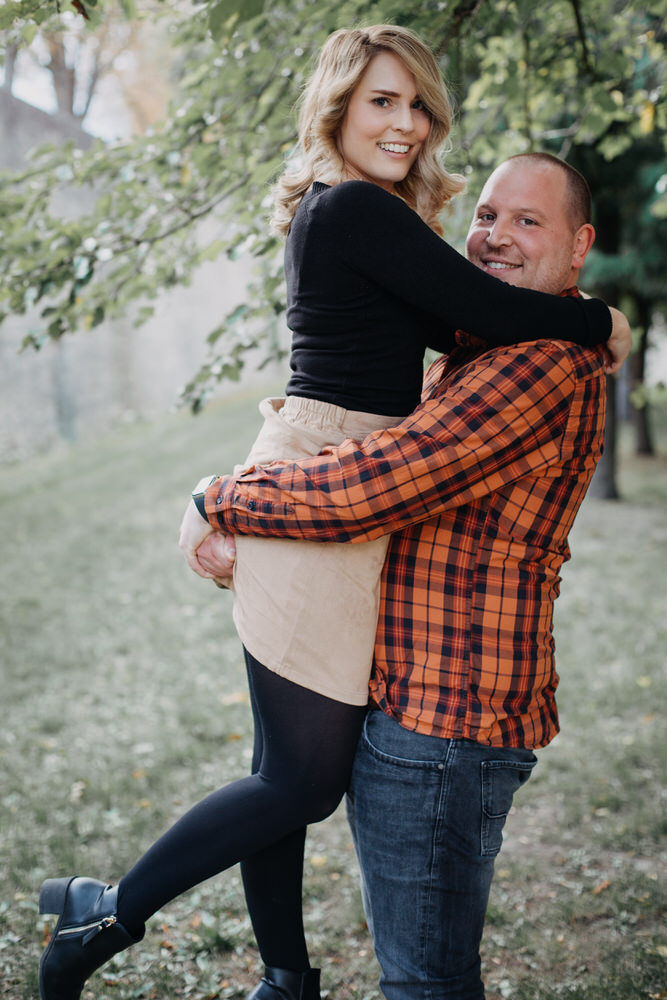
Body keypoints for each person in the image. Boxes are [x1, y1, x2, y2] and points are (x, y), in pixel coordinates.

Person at [37, 21, 629, 1000]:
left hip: (333, 464)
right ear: (338, 107)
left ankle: (285, 977)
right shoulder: (357, 209)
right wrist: (597, 320)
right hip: (325, 475)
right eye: (378, 102)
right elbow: (505, 317)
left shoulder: (369, 216)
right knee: (299, 781)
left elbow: (467, 318)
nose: (401, 123)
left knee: (283, 769)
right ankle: (108, 912)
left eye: (414, 104)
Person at [184, 151, 617, 999]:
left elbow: (368, 486)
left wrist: (220, 497)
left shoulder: (537, 365)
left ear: (579, 246)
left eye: (528, 221)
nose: (495, 236)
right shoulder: (488, 346)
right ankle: (283, 977)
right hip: (416, 700)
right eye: (487, 215)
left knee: (424, 980)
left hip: (447, 722)